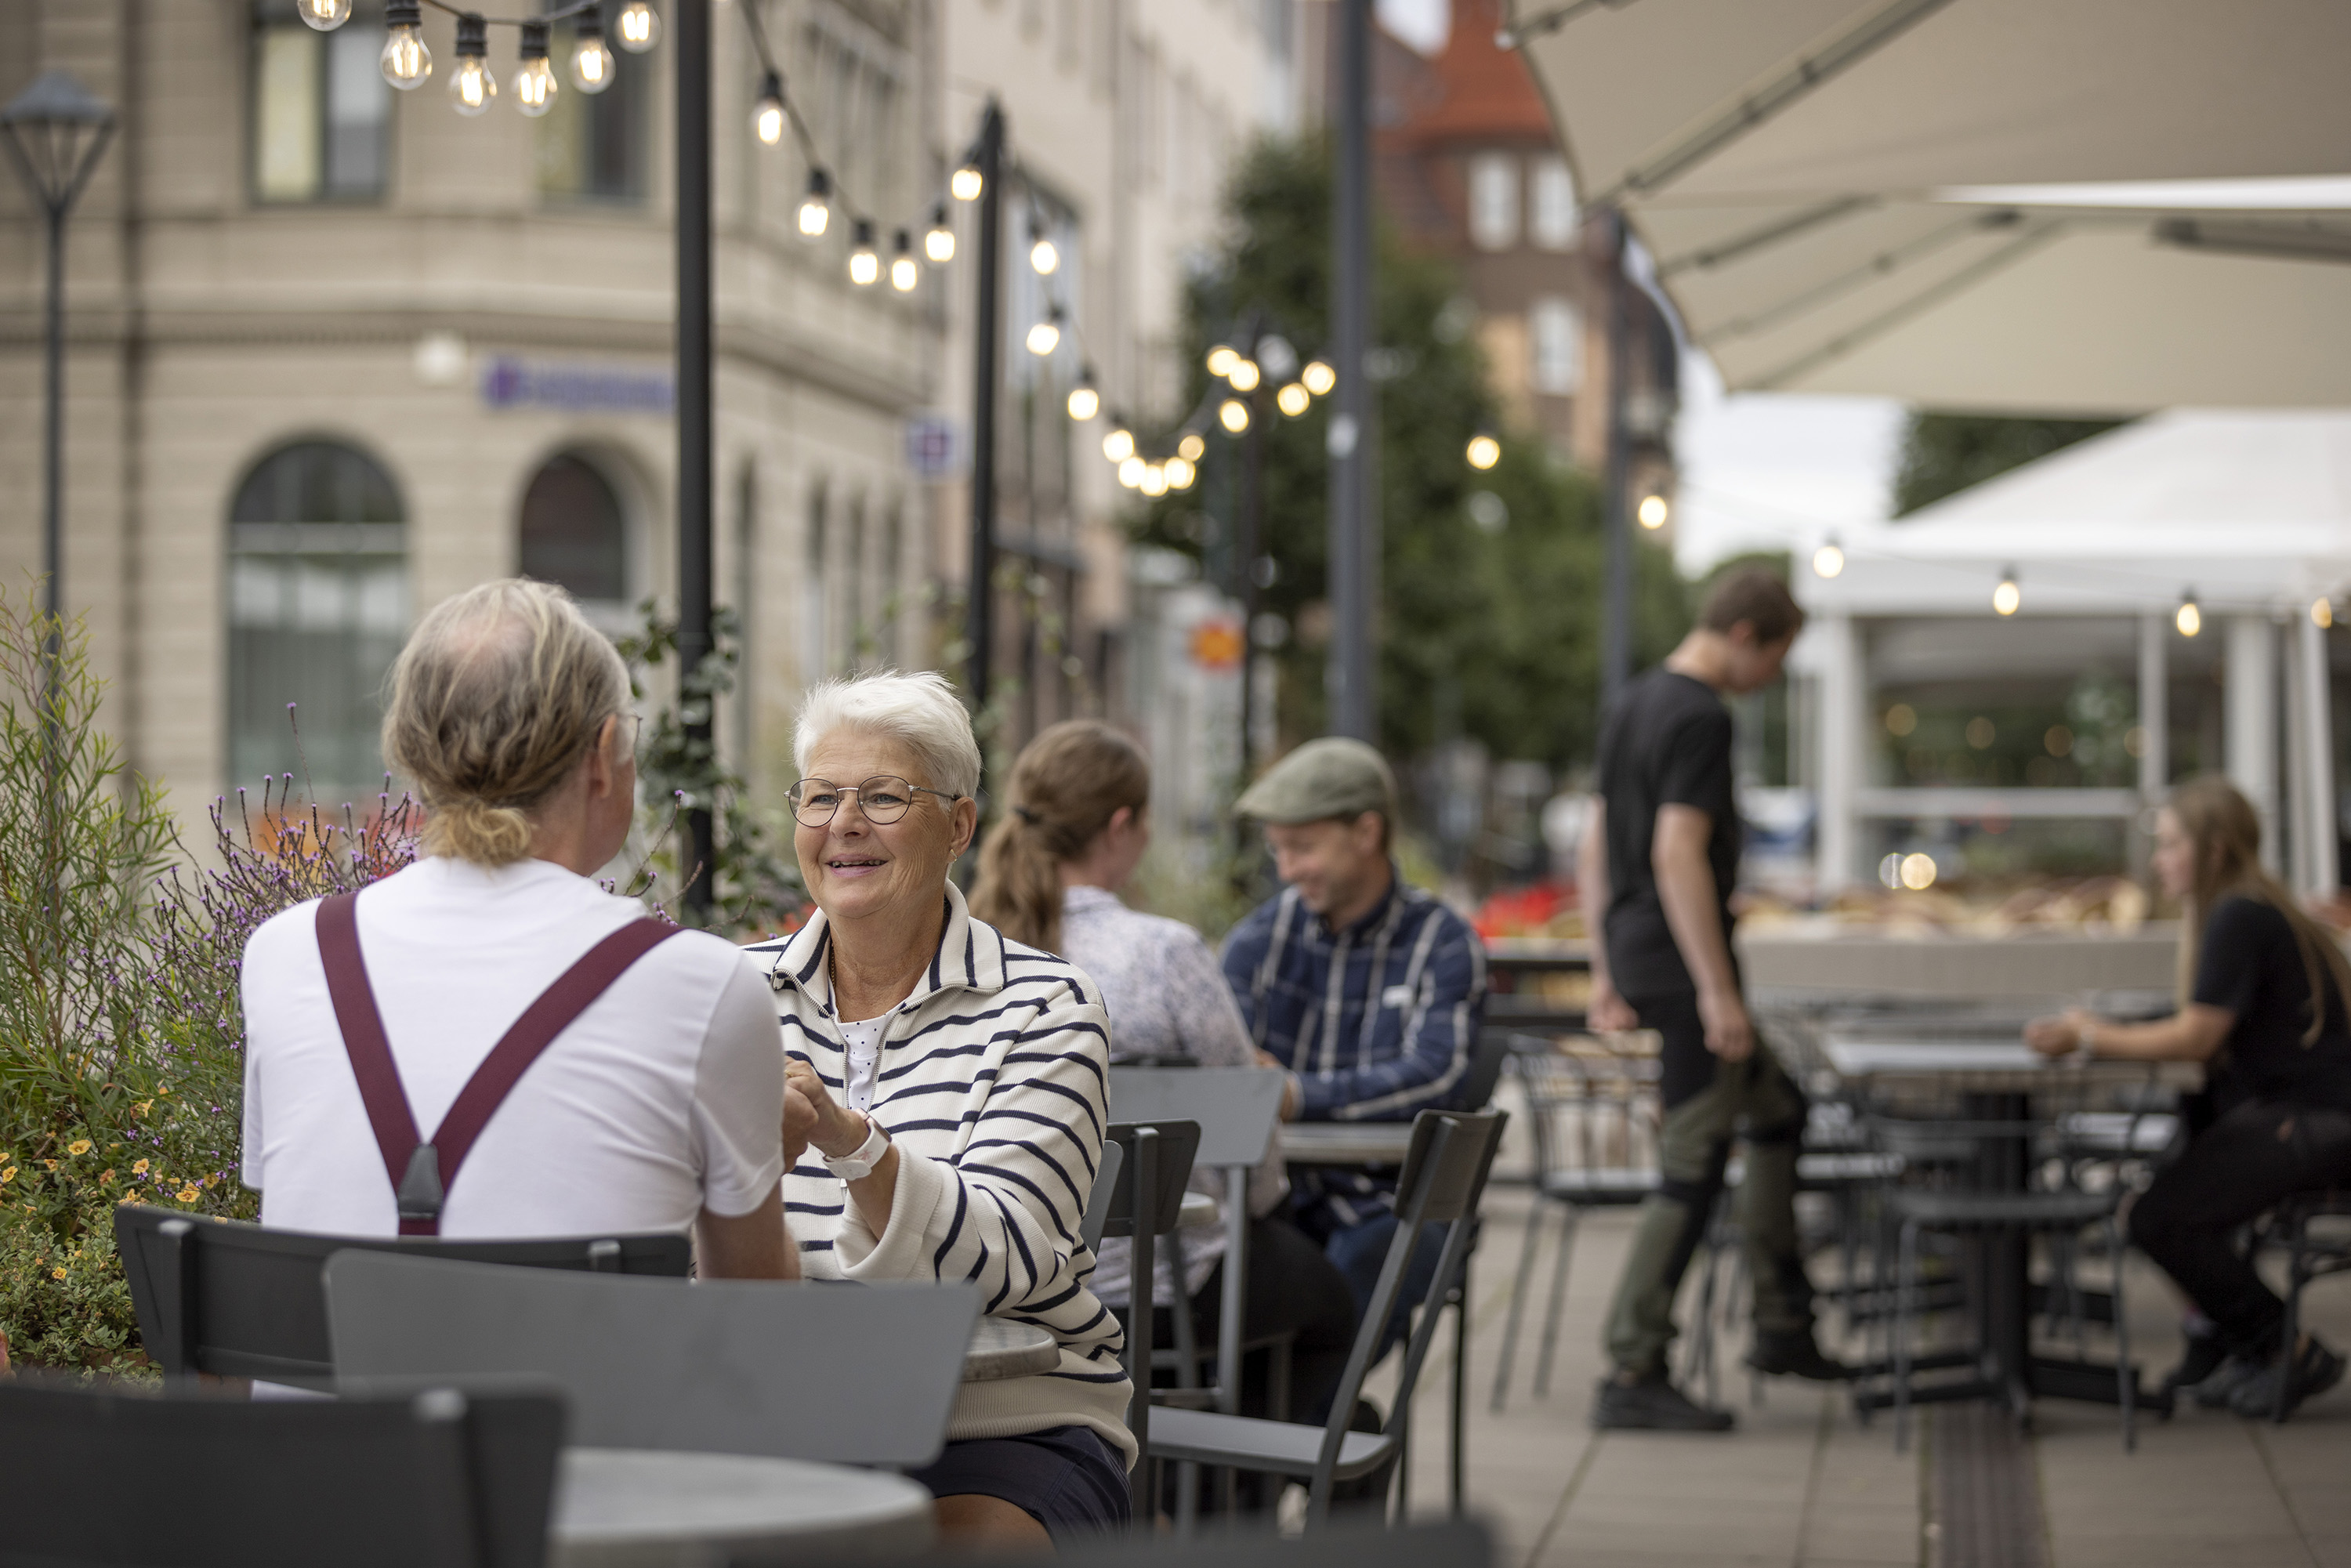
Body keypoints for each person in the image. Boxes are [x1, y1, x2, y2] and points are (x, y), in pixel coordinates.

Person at [240, 579, 795, 1280]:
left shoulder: (289, 953)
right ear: (603, 754)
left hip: (332, 1387)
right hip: (581, 1395)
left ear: (413, 752)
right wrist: (761, 1155)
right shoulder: (705, 985)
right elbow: (752, 1313)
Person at [743, 673, 1131, 1548]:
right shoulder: (727, 991)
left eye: (884, 797)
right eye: (820, 797)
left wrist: (851, 1145)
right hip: (768, 1416)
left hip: (991, 1419)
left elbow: (1013, 1258)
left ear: (959, 825)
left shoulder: (1047, 1005)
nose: (844, 823)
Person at [971, 719, 1358, 1428]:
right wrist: (1258, 1204)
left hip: (1007, 1279)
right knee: (1332, 1310)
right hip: (1166, 1285)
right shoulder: (1164, 953)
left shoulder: (971, 951)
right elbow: (1250, 1140)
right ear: (1122, 826)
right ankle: (1223, 1486)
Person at [1584, 567, 1846, 1433]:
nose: (1770, 676)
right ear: (1746, 637)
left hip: (1641, 954)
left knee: (1779, 1112)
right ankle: (1633, 1361)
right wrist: (1717, 991)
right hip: (1683, 966)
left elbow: (1596, 843)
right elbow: (1675, 852)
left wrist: (1602, 966)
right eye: (1776, 657)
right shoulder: (1700, 714)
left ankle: (1781, 1319)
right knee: (1692, 1166)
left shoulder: (1633, 704)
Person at [2027, 777, 2351, 1419]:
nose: (2159, 859)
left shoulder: (2237, 913)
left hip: (2313, 1127)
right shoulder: (2256, 907)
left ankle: (2290, 1349)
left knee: (2156, 1217)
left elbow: (2198, 1035)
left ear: (2215, 848)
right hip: (2310, 1120)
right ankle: (2240, 1348)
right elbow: (2200, 1017)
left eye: (2172, 843)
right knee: (2163, 1198)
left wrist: (2090, 1033)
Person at [1220, 737, 1487, 1363]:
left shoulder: (1444, 942)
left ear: (1367, 832)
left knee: (1357, 1278)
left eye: (1304, 847)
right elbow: (1226, 1073)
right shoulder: (1256, 942)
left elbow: (1433, 1076)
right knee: (1198, 1277)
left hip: (1395, 1202)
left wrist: (1294, 1094)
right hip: (1278, 1196)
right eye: (1278, 848)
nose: (1287, 869)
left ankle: (1300, 1452)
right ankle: (1302, 1450)